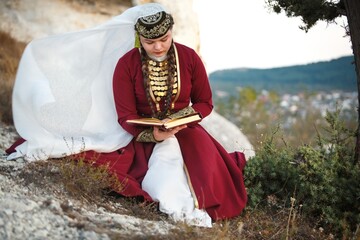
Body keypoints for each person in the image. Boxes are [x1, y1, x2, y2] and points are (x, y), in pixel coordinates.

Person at [6, 3, 247, 227]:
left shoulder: (189, 58)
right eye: (150, 41)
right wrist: (153, 135)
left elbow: (205, 102)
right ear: (138, 37)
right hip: (143, 135)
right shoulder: (126, 64)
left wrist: (183, 118)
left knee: (207, 181)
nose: (159, 47)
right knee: (160, 181)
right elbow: (125, 115)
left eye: (164, 39)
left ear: (172, 31)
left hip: (187, 131)